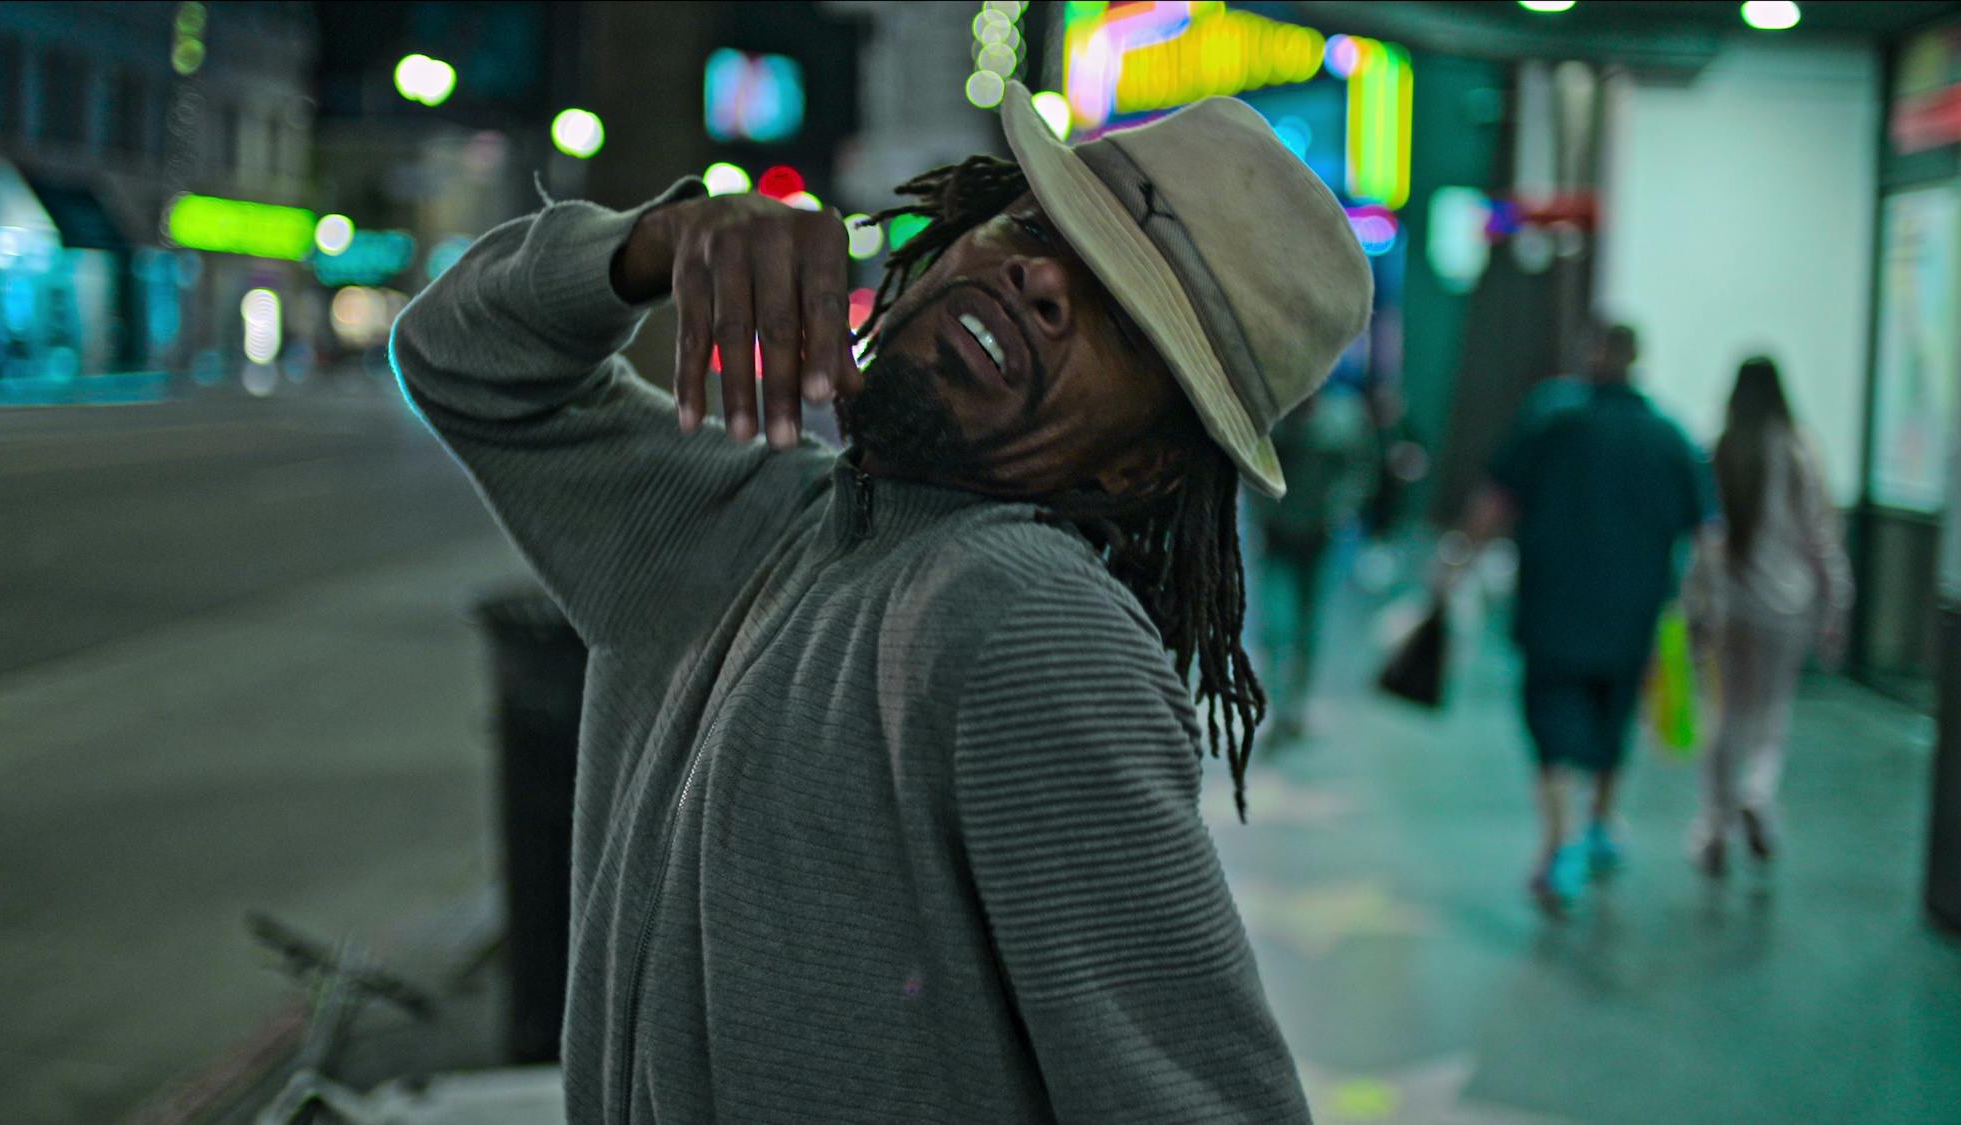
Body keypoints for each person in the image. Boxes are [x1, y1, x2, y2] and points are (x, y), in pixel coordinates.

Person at [391, 82, 1372, 1124]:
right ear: (954, 233)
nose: (1042, 280)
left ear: (1138, 469)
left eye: (1124, 323)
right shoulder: (746, 520)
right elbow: (463, 357)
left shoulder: (1028, 617)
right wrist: (654, 244)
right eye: (1037, 228)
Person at [1456, 324, 1719, 913]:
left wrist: (1457, 563)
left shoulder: (1551, 420)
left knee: (1549, 722)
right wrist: (1704, 606)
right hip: (1634, 614)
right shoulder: (1669, 436)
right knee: (1613, 715)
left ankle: (1559, 838)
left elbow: (1496, 498)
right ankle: (1600, 821)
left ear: (1592, 358)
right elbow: (1708, 529)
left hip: (1553, 606)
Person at [1685, 357, 1852, 876]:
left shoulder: (1721, 448)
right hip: (1788, 603)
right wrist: (1836, 606)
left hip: (1732, 603)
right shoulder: (1801, 449)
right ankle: (1758, 792)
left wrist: (1696, 602)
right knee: (1772, 710)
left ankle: (1714, 825)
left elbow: (1704, 537)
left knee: (1726, 713)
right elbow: (1822, 539)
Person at [1251, 385, 1379, 744]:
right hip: (1278, 539)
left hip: (1318, 540)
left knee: (1307, 628)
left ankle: (1296, 704)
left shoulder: (1341, 422)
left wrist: (1340, 508)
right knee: (1277, 626)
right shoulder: (1272, 425)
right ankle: (1279, 703)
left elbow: (1361, 469)